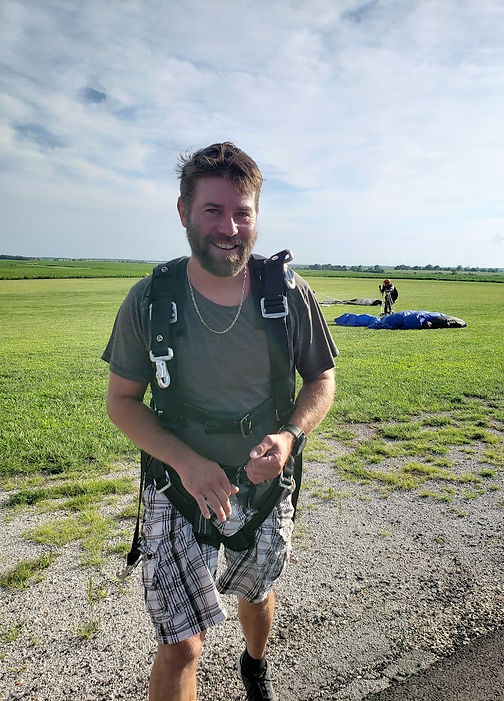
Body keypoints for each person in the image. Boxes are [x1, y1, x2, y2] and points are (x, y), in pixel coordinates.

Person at [102, 141, 337, 701]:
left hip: (265, 485)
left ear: (257, 215)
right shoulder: (151, 299)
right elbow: (123, 401)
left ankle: (254, 665)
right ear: (183, 212)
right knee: (181, 644)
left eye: (242, 212)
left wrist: (289, 436)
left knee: (255, 595)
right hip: (176, 485)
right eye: (213, 210)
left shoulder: (287, 294)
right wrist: (186, 461)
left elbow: (322, 381)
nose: (229, 226)